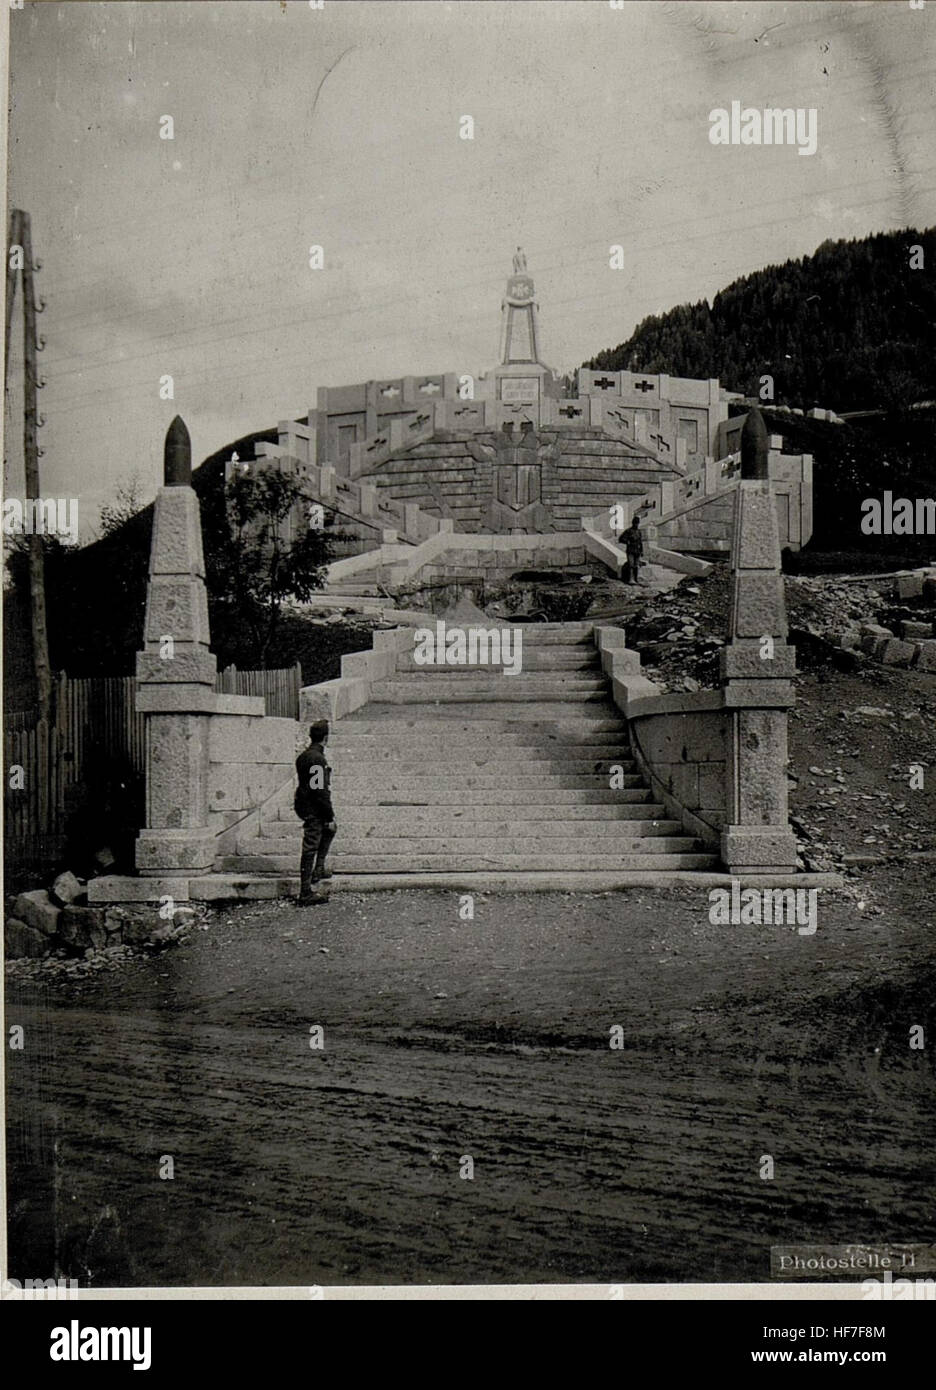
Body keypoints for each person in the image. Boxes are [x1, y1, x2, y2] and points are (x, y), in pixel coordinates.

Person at [294, 720, 337, 906]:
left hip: (305, 803)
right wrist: (329, 816)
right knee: (311, 844)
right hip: (314, 807)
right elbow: (319, 790)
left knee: (330, 831)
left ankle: (318, 869)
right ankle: (305, 892)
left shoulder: (304, 756)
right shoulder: (317, 759)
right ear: (326, 738)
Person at [618, 515, 645, 585]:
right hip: (630, 550)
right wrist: (627, 541)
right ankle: (630, 579)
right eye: (635, 523)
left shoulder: (639, 532)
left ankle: (636, 579)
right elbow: (621, 539)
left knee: (636, 565)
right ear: (633, 523)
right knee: (631, 565)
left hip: (637, 551)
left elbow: (640, 542)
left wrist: (642, 551)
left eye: (637, 523)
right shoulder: (628, 531)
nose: (636, 524)